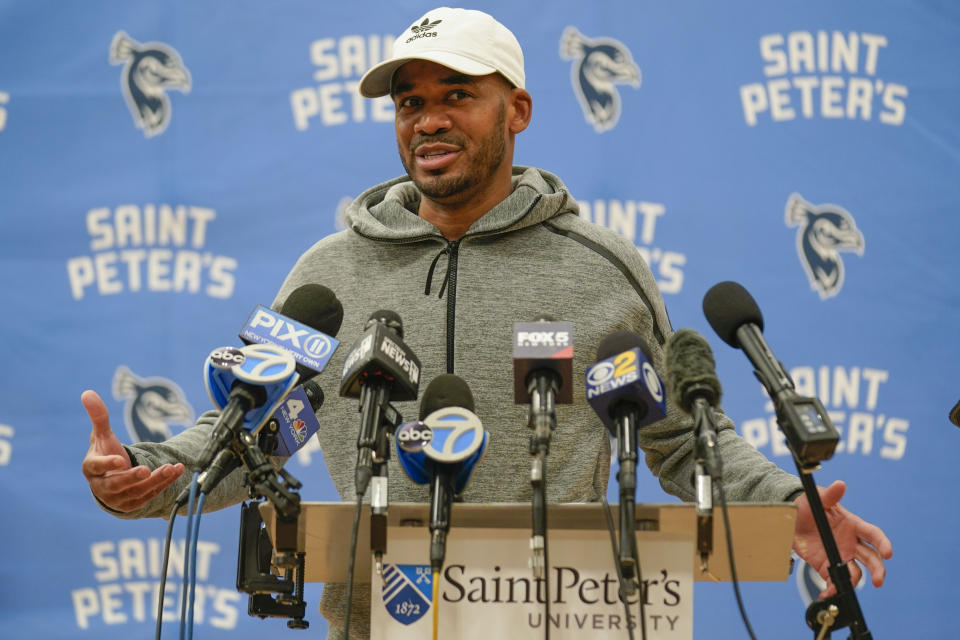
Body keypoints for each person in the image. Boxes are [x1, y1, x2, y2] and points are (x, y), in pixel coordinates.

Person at [81, 7, 892, 639]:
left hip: (569, 620)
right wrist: (149, 474)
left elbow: (677, 438)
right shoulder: (328, 273)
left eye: (456, 96)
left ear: (520, 109)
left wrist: (785, 503)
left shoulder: (603, 267)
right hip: (374, 622)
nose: (427, 120)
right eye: (410, 102)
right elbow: (252, 429)